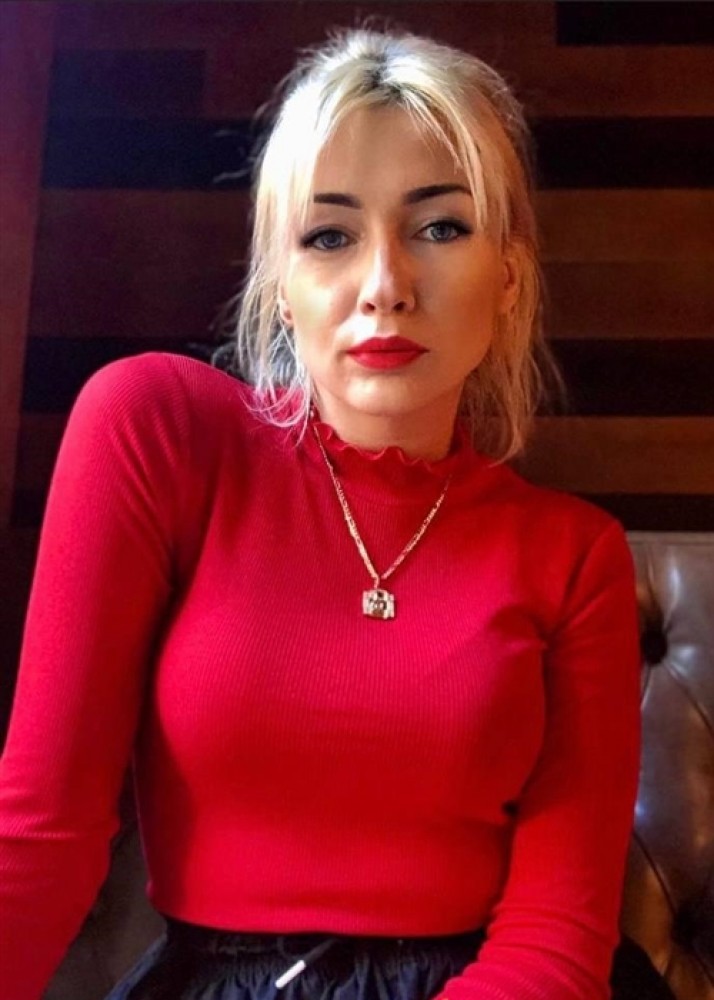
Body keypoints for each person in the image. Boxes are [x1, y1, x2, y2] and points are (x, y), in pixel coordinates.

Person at [0, 27, 674, 1000]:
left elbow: (556, 938)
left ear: (508, 275)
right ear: (282, 286)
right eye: (329, 236)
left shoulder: (575, 556)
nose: (385, 286)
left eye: (440, 227)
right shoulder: (158, 432)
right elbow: (40, 835)